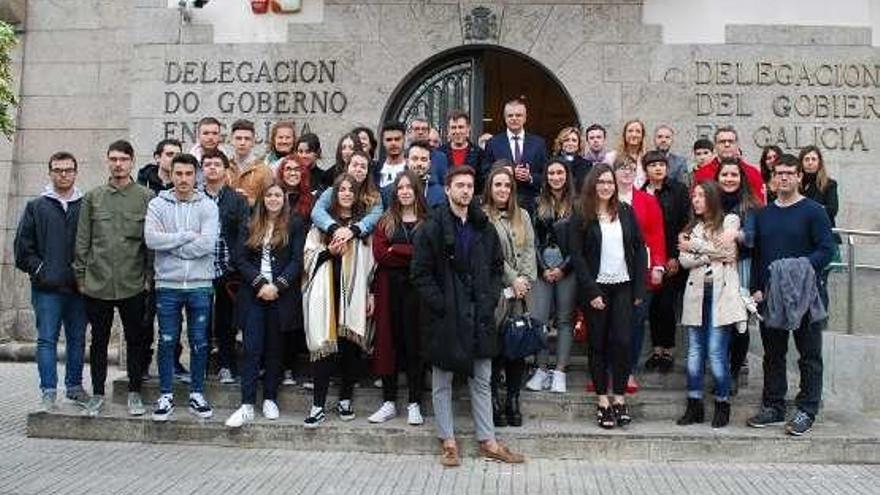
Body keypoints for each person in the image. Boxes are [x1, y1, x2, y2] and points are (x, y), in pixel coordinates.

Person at [411, 166, 524, 466]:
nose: (464, 191)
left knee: (483, 378)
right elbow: (420, 275)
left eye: (469, 186)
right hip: (445, 316)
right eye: (459, 185)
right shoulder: (431, 226)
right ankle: (448, 442)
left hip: (478, 313)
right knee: (442, 381)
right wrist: (443, 305)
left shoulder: (483, 226)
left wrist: (487, 301)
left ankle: (488, 440)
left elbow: (497, 267)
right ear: (447, 189)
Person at [747, 155, 834, 436]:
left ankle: (807, 409)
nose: (783, 178)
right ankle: (773, 406)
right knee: (773, 354)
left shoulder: (814, 211)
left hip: (806, 294)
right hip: (772, 295)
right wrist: (757, 287)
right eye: (778, 173)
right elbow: (758, 255)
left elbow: (825, 249)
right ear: (772, 178)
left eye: (789, 173)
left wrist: (798, 269)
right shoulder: (763, 214)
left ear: (799, 177)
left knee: (809, 354)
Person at [74, 140, 154, 417]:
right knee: (98, 340)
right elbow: (83, 239)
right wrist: (81, 278)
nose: (117, 164)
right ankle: (97, 393)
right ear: (108, 162)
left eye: (123, 159)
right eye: (113, 159)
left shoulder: (145, 197)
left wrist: (148, 278)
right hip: (98, 283)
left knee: (136, 339)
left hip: (133, 282)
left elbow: (149, 244)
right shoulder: (93, 198)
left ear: (132, 162)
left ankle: (134, 391)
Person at [569, 164, 646, 429]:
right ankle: (603, 400)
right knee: (598, 345)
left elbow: (639, 248)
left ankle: (620, 398)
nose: (606, 186)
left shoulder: (625, 211)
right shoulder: (581, 214)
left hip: (623, 285)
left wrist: (639, 289)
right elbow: (577, 257)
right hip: (596, 288)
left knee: (623, 342)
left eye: (610, 182)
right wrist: (591, 291)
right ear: (592, 184)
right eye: (601, 182)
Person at [145, 153, 218, 422]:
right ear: (171, 174)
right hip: (168, 284)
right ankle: (166, 394)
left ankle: (197, 393)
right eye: (179, 174)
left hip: (200, 285)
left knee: (199, 342)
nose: (184, 179)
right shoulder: (157, 204)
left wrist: (172, 246)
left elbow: (208, 244)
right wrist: (186, 237)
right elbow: (152, 239)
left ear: (196, 176)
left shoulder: (208, 206)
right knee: (167, 340)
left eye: (189, 174)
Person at [225, 182, 306, 427]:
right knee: (251, 349)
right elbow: (239, 258)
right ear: (262, 199)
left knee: (274, 348)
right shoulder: (250, 223)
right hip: (253, 295)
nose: (273, 199)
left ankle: (270, 398)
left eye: (277, 195)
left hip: (281, 295)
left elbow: (296, 260)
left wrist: (277, 286)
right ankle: (247, 403)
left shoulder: (295, 223)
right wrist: (260, 284)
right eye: (269, 195)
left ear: (284, 199)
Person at [14, 151, 90, 410]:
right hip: (47, 289)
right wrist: (41, 271)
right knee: (46, 339)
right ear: (50, 172)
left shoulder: (86, 204)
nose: (63, 174)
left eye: (68, 170)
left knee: (77, 339)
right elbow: (23, 249)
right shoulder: (36, 206)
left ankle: (75, 387)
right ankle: (48, 390)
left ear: (76, 172)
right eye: (58, 170)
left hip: (79, 288)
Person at [302, 174, 376, 427]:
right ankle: (318, 405)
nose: (346, 193)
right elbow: (308, 256)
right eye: (341, 189)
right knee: (324, 349)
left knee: (349, 349)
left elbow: (371, 263)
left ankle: (345, 399)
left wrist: (370, 293)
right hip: (325, 293)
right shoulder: (321, 225)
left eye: (350, 190)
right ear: (334, 195)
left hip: (353, 294)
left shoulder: (362, 228)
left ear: (356, 196)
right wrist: (329, 252)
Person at [675, 181, 746, 429]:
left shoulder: (729, 221)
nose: (696, 200)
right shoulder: (690, 228)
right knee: (695, 352)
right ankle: (694, 403)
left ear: (712, 198)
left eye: (701, 196)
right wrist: (710, 253)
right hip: (696, 294)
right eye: (694, 196)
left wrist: (695, 248)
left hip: (720, 294)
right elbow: (683, 261)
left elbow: (727, 248)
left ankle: (722, 403)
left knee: (716, 352)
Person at [368, 170, 429, 425]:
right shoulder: (386, 220)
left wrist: (399, 249)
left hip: (417, 290)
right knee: (388, 344)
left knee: (414, 345)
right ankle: (389, 402)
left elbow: (427, 255)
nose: (404, 191)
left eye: (409, 187)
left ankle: (415, 403)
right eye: (400, 188)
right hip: (388, 288)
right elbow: (381, 255)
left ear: (416, 190)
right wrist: (409, 253)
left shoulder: (428, 220)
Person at [483, 165, 537, 427]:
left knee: (517, 348)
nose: (503, 189)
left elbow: (529, 249)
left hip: (521, 295)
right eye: (498, 185)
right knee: (497, 348)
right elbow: (491, 255)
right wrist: (512, 278)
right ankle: (493, 399)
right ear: (490, 188)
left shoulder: (523, 215)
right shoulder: (483, 216)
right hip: (497, 294)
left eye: (507, 185)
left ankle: (513, 399)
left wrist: (525, 280)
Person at [524, 159, 576, 393]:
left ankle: (560, 372)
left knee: (565, 319)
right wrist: (543, 267)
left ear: (567, 176)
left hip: (569, 267)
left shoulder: (578, 204)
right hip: (541, 267)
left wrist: (563, 269)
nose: (556, 177)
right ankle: (541, 369)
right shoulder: (536, 203)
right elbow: (531, 240)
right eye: (552, 173)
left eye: (560, 173)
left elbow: (580, 242)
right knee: (539, 320)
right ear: (546, 177)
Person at [615, 157, 666, 393]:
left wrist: (658, 265)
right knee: (609, 324)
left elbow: (656, 234)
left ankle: (627, 371)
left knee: (635, 322)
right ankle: (606, 370)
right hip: (610, 272)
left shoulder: (647, 200)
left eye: (630, 168)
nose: (626, 172)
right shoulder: (605, 198)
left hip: (639, 272)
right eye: (621, 168)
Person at [201, 149, 250, 385]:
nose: (212, 167)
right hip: (199, 269)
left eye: (216, 164)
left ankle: (226, 365)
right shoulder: (195, 197)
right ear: (202, 169)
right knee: (199, 320)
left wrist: (236, 263)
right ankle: (199, 365)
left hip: (227, 270)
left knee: (225, 322)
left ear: (225, 169)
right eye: (207, 163)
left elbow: (243, 233)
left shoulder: (237, 199)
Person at [715, 157, 762, 394]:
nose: (729, 179)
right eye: (725, 174)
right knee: (716, 322)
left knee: (738, 324)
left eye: (734, 174)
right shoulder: (710, 202)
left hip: (740, 268)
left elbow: (752, 238)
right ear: (718, 177)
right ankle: (718, 371)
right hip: (713, 268)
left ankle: (733, 372)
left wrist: (735, 234)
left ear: (741, 178)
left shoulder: (750, 206)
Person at [641, 150, 690, 373]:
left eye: (661, 164)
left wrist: (675, 257)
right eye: (653, 165)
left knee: (667, 305)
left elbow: (684, 223)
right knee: (652, 305)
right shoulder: (640, 193)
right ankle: (656, 350)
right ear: (646, 169)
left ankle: (669, 350)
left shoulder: (678, 190)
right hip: (648, 259)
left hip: (672, 258)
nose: (658, 168)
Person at [276, 156, 313, 386]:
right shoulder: (273, 196)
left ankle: (292, 367)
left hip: (302, 264)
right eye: (287, 169)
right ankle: (279, 367)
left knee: (296, 319)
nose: (291, 173)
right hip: (279, 262)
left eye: (296, 169)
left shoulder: (310, 200)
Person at [483, 98, 548, 214]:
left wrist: (530, 177)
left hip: (530, 204)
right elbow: (485, 173)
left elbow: (546, 175)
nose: (514, 118)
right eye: (510, 115)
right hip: (500, 204)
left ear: (525, 118)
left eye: (518, 115)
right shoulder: (493, 143)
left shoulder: (538, 143)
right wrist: (507, 172)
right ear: (505, 118)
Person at [311, 150, 384, 242]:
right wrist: (335, 228)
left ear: (367, 173)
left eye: (363, 167)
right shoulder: (333, 191)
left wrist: (354, 230)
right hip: (333, 240)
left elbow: (376, 215)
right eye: (355, 165)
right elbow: (317, 211)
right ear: (347, 168)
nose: (358, 169)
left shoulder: (374, 196)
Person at [799, 145, 840, 306]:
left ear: (819, 162)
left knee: (820, 284)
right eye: (806, 159)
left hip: (824, 241)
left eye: (813, 159)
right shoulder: (797, 184)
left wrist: (805, 210)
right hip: (802, 240)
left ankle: (820, 324)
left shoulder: (829, 184)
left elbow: (831, 210)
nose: (810, 163)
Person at [693, 127, 765, 202]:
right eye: (722, 142)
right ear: (715, 146)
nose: (727, 145)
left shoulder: (752, 173)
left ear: (737, 145)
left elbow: (760, 205)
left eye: (731, 141)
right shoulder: (702, 174)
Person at [228, 119, 273, 207]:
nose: (242, 142)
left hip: (254, 219)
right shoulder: (224, 168)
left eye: (247, 139)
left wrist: (249, 201)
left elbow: (271, 202)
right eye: (238, 138)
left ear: (253, 142)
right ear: (231, 140)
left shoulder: (264, 170)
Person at [438, 110, 486, 188]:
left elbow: (482, 181)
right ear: (448, 130)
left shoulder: (479, 154)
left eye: (461, 127)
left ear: (468, 129)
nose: (457, 131)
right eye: (453, 127)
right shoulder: (440, 153)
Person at [403, 140, 446, 208]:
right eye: (415, 159)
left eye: (423, 159)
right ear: (407, 162)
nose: (419, 163)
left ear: (429, 164)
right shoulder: (394, 189)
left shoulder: (440, 194)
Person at [406, 117, 448, 183]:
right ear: (410, 132)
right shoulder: (403, 155)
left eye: (424, 129)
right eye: (417, 129)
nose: (420, 132)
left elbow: (443, 183)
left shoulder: (440, 157)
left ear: (428, 132)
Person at [551, 126, 592, 193]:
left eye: (574, 140)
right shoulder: (552, 163)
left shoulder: (587, 164)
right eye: (566, 140)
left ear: (579, 144)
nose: (570, 143)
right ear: (561, 143)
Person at [614, 119, 647, 188]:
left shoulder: (647, 157)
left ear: (642, 136)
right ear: (624, 134)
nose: (634, 134)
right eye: (630, 131)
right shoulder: (612, 157)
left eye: (638, 131)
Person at [375, 122, 408, 189]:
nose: (393, 143)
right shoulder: (374, 170)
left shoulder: (411, 168)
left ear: (404, 139)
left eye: (397, 139)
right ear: (383, 142)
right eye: (389, 140)